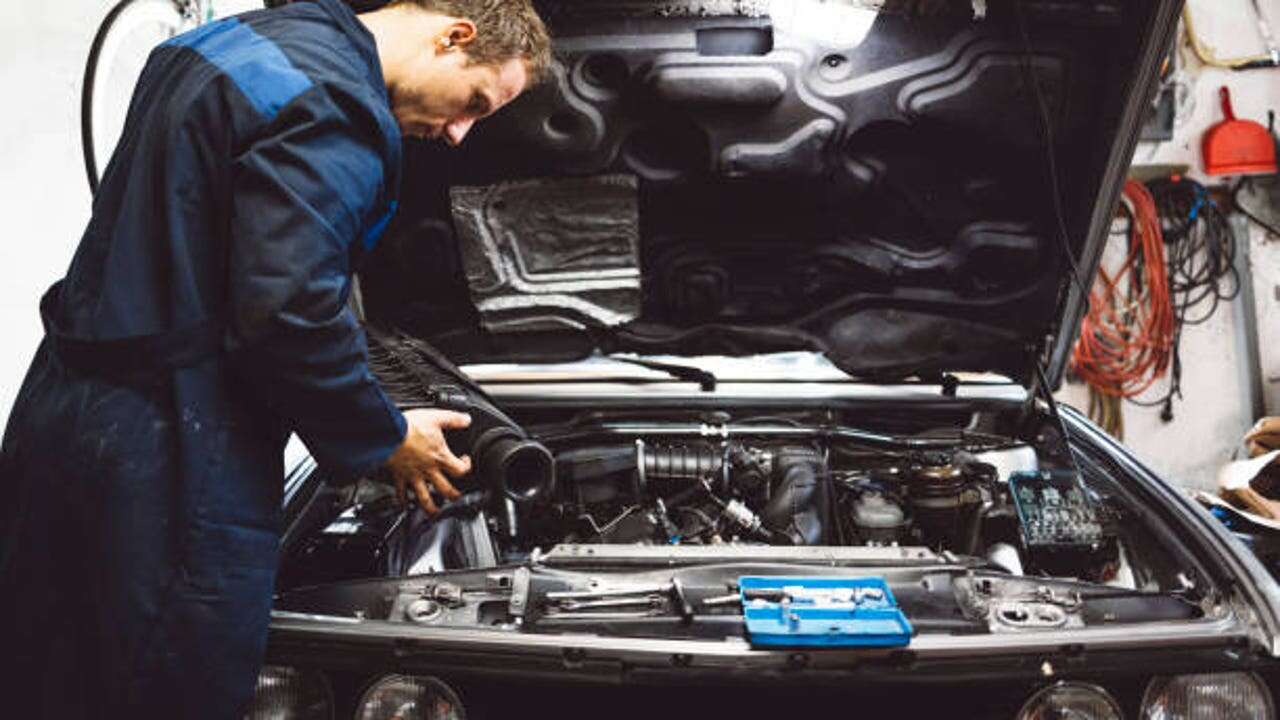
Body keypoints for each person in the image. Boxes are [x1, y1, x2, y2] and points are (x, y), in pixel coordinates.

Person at [0, 0, 551, 716]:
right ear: (453, 35)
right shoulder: (336, 109)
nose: (457, 133)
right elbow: (287, 313)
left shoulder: (229, 44)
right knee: (160, 685)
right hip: (173, 445)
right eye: (474, 102)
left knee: (41, 666)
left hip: (66, 413)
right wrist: (385, 437)